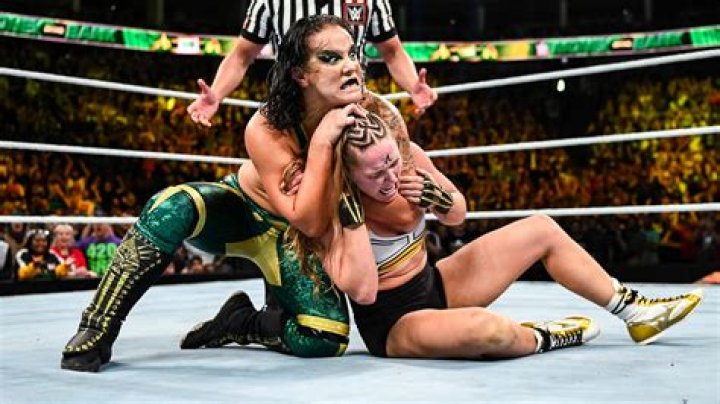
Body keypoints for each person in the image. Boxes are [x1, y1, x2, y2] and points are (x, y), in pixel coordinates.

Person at [61, 15, 403, 372]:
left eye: (352, 54)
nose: (350, 66)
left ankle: (243, 322)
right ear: (301, 74)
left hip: (295, 239)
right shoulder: (266, 126)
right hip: (243, 216)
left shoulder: (376, 114)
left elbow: (313, 224)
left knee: (324, 337)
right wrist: (321, 144)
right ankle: (97, 326)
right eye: (331, 58)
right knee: (171, 206)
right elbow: (307, 216)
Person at [187, 0, 437, 128]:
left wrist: (413, 86)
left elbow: (392, 52)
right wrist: (216, 93)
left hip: (351, 110)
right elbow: (241, 55)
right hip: (290, 110)